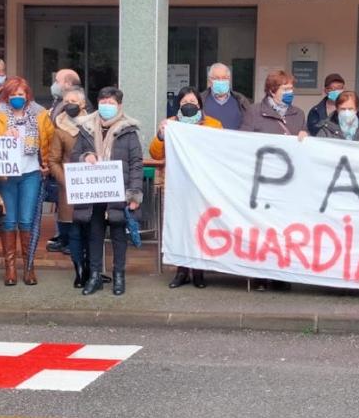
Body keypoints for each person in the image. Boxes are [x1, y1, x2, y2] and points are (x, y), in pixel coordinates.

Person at [72, 86, 143, 296]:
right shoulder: (86, 129)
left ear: (119, 106)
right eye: (103, 102)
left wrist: (134, 194)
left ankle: (119, 276)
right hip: (94, 194)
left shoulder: (129, 131)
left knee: (119, 236)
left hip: (119, 193)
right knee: (94, 235)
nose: (106, 106)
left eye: (111, 103)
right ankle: (95, 276)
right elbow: (74, 155)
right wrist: (85, 157)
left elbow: (136, 164)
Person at [150, 86, 222, 290]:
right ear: (178, 105)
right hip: (177, 185)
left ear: (200, 104)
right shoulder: (171, 124)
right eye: (184, 103)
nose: (189, 105)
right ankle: (181, 271)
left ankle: (198, 271)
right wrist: (161, 136)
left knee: (200, 227)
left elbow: (221, 151)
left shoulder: (214, 125)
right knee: (180, 228)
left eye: (193, 102)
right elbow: (155, 154)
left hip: (202, 186)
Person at [0, 76, 53, 286]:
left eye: (20, 94)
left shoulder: (40, 114)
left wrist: (46, 163)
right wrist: (4, 136)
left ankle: (29, 266)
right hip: (7, 175)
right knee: (9, 220)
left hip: (31, 173)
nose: (17, 97)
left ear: (27, 95)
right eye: (13, 94)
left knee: (26, 220)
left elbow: (49, 140)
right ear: (6, 96)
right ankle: (10, 268)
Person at [47, 86, 91, 289]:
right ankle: (79, 270)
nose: (69, 104)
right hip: (69, 189)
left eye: (74, 101)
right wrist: (65, 181)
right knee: (74, 232)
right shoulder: (60, 129)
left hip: (92, 187)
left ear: (82, 104)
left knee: (92, 230)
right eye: (66, 101)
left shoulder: (94, 125)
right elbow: (53, 160)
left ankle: (92, 269)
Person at [242, 70, 308, 137]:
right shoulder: (254, 112)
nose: (290, 92)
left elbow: (305, 136)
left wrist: (305, 135)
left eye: (291, 89)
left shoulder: (299, 114)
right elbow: (244, 138)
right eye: (285, 89)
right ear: (272, 92)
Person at [199, 62, 250, 132]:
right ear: (210, 80)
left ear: (229, 79)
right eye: (216, 78)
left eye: (224, 78)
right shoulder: (200, 100)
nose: (221, 81)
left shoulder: (241, 101)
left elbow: (249, 125)